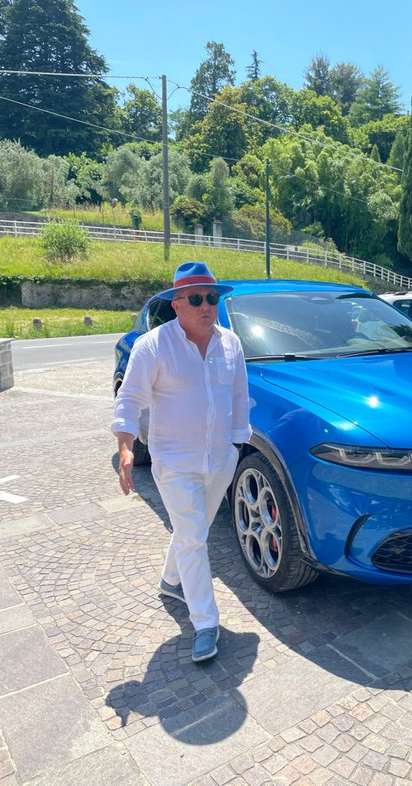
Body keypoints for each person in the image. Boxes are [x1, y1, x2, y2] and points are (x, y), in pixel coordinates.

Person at [111, 261, 251, 662]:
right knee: (193, 536)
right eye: (196, 299)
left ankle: (171, 580)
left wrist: (237, 446)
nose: (207, 305)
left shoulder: (230, 343)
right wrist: (125, 445)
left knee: (193, 530)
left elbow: (239, 396)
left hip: (220, 457)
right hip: (174, 460)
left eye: (212, 297)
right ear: (176, 305)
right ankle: (206, 622)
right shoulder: (153, 346)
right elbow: (130, 398)